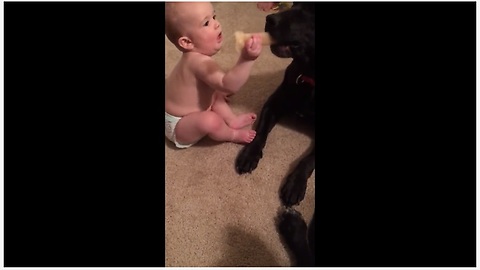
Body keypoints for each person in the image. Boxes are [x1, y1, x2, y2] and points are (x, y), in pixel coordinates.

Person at [165, 2, 264, 149]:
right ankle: (231, 134)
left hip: (179, 106)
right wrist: (246, 60)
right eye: (206, 23)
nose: (216, 24)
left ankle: (232, 120)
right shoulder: (200, 63)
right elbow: (229, 85)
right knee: (210, 121)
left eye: (214, 16)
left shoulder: (194, 59)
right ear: (187, 42)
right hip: (178, 124)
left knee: (216, 92)